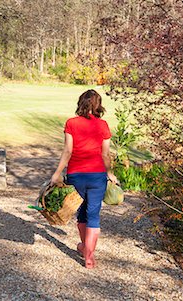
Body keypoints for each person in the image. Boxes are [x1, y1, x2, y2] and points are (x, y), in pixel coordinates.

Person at [50, 89, 117, 269]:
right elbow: (105, 154)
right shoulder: (103, 125)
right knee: (93, 214)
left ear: (81, 103)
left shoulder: (71, 123)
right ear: (98, 105)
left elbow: (68, 151)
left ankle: (85, 247)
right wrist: (109, 172)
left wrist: (57, 173)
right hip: (97, 176)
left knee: (81, 212)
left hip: (76, 175)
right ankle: (89, 255)